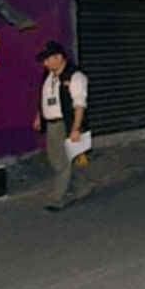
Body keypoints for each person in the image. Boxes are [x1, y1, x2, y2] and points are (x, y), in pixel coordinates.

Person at [32, 40, 93, 210]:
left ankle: (56, 198)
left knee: (61, 162)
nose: (45, 63)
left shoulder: (75, 76)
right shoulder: (49, 75)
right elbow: (43, 98)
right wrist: (39, 117)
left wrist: (75, 128)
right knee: (59, 159)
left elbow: (79, 105)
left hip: (65, 124)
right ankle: (82, 187)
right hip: (51, 124)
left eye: (48, 59)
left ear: (59, 57)